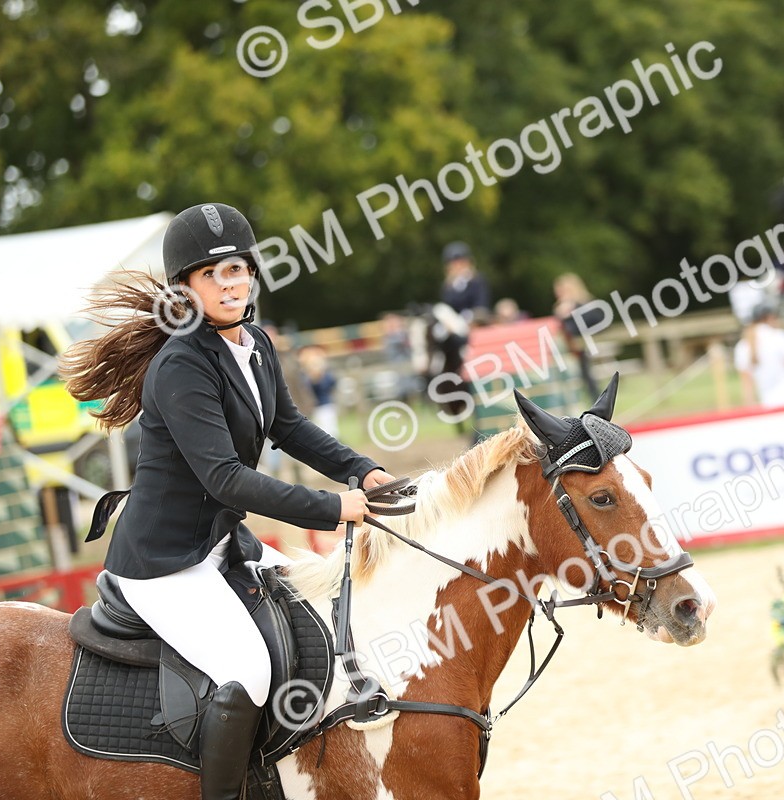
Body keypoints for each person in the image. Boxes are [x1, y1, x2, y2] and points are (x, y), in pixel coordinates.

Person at [60, 202, 397, 800]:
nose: (230, 283)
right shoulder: (181, 366)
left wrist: (362, 471)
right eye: (212, 274)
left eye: (238, 268)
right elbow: (227, 480)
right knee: (246, 671)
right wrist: (332, 507)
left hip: (219, 544)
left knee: (316, 615)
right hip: (163, 564)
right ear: (185, 289)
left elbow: (289, 427)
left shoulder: (256, 344)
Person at [734, 304, 784, 408]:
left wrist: (750, 406)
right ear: (770, 317)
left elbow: (746, 384)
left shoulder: (742, 346)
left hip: (770, 401)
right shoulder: (779, 336)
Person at [553, 272, 604, 397]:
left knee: (588, 377)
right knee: (582, 377)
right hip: (571, 348)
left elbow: (596, 321)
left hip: (588, 345)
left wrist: (572, 310)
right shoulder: (561, 308)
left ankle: (596, 400)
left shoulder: (586, 304)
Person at [439, 241, 491, 323]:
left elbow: (481, 306)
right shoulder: (448, 287)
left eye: (461, 262)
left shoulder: (477, 281)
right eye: (454, 263)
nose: (458, 266)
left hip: (476, 322)